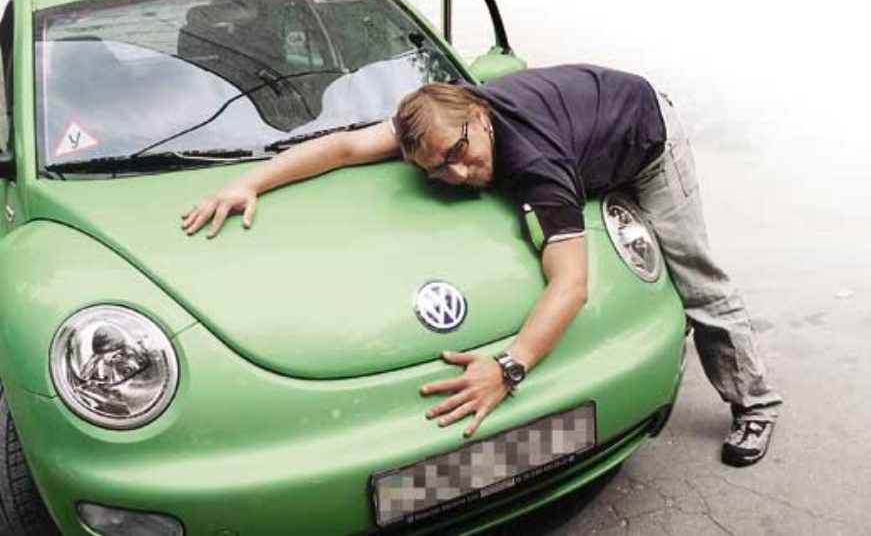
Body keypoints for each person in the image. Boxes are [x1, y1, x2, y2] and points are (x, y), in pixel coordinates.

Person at [181, 64, 782, 467]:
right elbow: (343, 147)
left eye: (460, 154)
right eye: (437, 171)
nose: (459, 174)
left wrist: (507, 369)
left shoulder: (535, 165)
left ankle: (755, 404)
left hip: (643, 132)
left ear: (479, 113)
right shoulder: (435, 122)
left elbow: (571, 285)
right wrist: (248, 183)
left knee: (693, 276)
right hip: (584, 126)